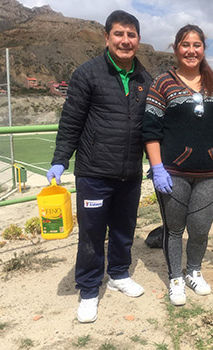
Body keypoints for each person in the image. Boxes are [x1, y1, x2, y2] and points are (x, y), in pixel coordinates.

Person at [46, 10, 152, 323]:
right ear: (106, 38)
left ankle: (119, 274)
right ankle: (89, 289)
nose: (125, 40)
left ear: (138, 40)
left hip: (130, 172)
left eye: (131, 35)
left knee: (123, 229)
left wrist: (157, 162)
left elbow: (151, 126)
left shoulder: (145, 78)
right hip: (94, 172)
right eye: (119, 34)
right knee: (92, 234)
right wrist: (60, 159)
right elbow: (72, 121)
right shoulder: (87, 74)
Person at [142, 24, 213, 306]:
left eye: (196, 45)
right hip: (173, 173)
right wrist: (157, 168)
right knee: (174, 229)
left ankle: (193, 272)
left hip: (210, 172)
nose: (191, 50)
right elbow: (150, 130)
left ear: (203, 49)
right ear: (176, 48)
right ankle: (175, 278)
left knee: (200, 229)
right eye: (185, 45)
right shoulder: (162, 83)